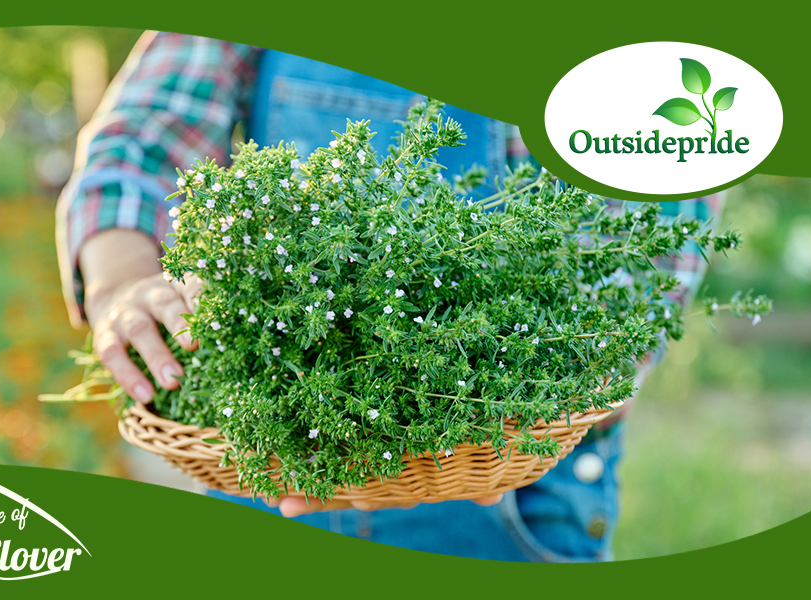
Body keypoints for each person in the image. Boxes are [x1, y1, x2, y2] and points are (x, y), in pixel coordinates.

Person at [56, 31, 720, 561]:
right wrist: (120, 285)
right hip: (266, 456)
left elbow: (639, 280)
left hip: (510, 498)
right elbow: (142, 136)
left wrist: (459, 412)